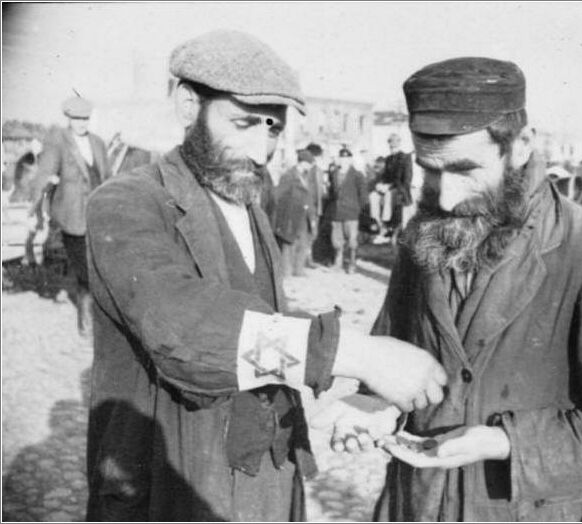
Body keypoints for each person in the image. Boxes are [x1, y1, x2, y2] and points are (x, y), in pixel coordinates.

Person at [83, 30, 447, 521]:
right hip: (174, 484)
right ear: (189, 105)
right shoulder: (126, 202)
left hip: (267, 474)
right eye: (244, 123)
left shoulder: (245, 199)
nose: (261, 149)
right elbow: (181, 327)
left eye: (273, 128)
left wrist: (358, 389)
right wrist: (354, 354)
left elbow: (261, 314)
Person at [330, 57, 582, 521]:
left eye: (465, 170)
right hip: (416, 506)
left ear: (521, 145)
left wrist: (503, 442)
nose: (445, 197)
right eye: (430, 171)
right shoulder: (419, 235)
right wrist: (375, 404)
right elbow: (392, 354)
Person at [29, 95, 111, 336]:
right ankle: (86, 322)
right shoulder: (58, 142)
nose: (81, 123)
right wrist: (36, 210)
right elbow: (43, 177)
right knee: (85, 271)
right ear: (69, 118)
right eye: (77, 119)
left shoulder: (98, 142)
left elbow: (108, 178)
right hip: (72, 217)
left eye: (85, 118)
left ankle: (99, 320)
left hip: (97, 216)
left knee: (99, 268)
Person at [272, 149, 321, 277]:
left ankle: (299, 270)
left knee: (303, 242)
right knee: (289, 244)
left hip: (305, 215)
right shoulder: (289, 176)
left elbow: (311, 196)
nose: (310, 167)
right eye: (309, 164)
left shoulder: (307, 176)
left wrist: (313, 215)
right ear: (303, 163)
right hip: (291, 215)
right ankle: (286, 271)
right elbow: (278, 197)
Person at [326, 147, 367, 273]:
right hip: (337, 212)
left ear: (350, 160)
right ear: (339, 159)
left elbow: (363, 196)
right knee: (337, 240)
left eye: (346, 158)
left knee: (352, 241)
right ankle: (338, 263)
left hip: (351, 213)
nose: (344, 161)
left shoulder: (357, 175)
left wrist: (357, 209)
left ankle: (352, 264)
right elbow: (332, 193)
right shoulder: (334, 174)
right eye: (341, 158)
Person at [368, 133, 414, 243]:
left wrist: (389, 186)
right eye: (391, 146)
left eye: (395, 146)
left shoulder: (405, 158)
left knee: (389, 195)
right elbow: (385, 176)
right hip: (388, 187)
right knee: (373, 195)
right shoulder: (388, 159)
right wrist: (380, 184)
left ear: (399, 144)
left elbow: (406, 179)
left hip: (399, 188)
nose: (393, 148)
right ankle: (379, 222)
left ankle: (386, 221)